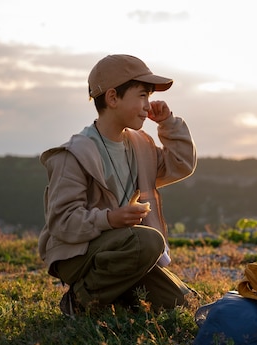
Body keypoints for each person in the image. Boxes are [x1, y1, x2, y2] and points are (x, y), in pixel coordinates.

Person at [38, 54, 198, 316]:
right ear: (113, 98)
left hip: (123, 248)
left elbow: (181, 164)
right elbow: (62, 222)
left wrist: (168, 124)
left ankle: (116, 297)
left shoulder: (140, 145)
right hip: (78, 253)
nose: (149, 105)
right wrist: (111, 219)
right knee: (147, 242)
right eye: (142, 95)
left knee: (181, 302)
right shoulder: (74, 154)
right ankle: (80, 302)